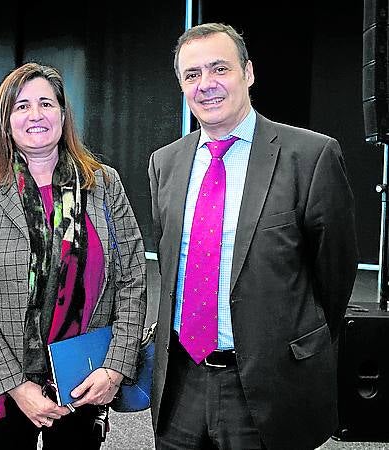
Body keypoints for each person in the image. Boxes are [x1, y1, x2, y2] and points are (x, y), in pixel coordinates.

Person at [148, 23, 358, 450]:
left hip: (267, 384)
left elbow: (335, 275)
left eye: (219, 68)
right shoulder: (164, 163)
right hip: (181, 383)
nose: (206, 85)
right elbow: (171, 269)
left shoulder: (311, 155)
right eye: (192, 75)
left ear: (248, 72)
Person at [0, 62, 147, 450]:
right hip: (0, 387)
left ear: (62, 114)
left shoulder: (104, 183)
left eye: (46, 103)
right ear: (5, 122)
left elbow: (133, 280)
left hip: (83, 380)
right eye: (21, 106)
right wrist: (18, 386)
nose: (35, 114)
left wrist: (114, 368)